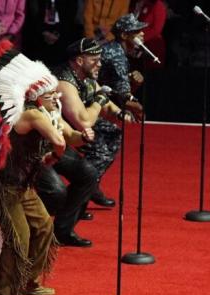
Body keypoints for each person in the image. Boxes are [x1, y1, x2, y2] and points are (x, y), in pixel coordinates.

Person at [0, 40, 94, 295]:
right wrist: (63, 144)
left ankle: (26, 280)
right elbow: (60, 140)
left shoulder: (47, 113)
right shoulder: (32, 114)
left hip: (23, 186)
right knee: (19, 237)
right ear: (37, 96)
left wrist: (82, 134)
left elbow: (67, 135)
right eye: (51, 94)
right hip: (2, 187)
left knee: (44, 227)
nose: (56, 99)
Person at [38, 38, 129, 246]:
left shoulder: (87, 78)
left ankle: (62, 231)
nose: (99, 63)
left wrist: (122, 113)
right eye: (94, 59)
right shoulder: (63, 82)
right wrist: (99, 102)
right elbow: (84, 120)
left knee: (88, 174)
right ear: (79, 60)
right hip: (32, 148)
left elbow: (69, 130)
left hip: (57, 140)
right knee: (57, 193)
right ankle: (34, 222)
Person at [89, 13, 146, 206]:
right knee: (105, 147)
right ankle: (81, 193)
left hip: (96, 100)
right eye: (136, 31)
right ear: (124, 35)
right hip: (87, 103)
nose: (142, 34)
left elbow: (120, 91)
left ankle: (89, 186)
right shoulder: (116, 56)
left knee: (108, 142)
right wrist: (138, 108)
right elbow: (123, 96)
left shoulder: (116, 50)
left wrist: (133, 86)